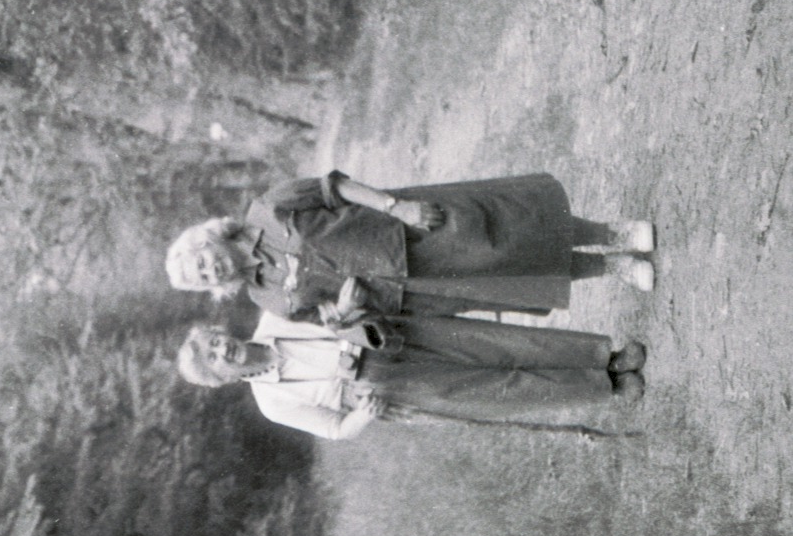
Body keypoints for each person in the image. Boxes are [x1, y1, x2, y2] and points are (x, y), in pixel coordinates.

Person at [166, 170, 655, 321]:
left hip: (404, 232)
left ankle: (613, 234)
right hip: (408, 289)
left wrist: (396, 206)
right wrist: (342, 308)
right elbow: (326, 319)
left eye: (202, 262)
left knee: (510, 229)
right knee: (506, 272)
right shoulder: (266, 298)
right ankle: (613, 269)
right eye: (203, 279)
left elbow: (333, 187)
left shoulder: (267, 209)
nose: (210, 271)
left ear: (207, 240)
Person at [175, 303, 647, 440]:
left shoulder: (275, 318)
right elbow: (336, 428)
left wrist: (346, 322)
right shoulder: (273, 402)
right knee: (500, 389)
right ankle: (607, 385)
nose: (224, 350)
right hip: (390, 388)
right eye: (214, 358)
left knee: (498, 344)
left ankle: (607, 354)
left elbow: (332, 308)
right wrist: (364, 411)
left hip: (392, 336)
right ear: (221, 379)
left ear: (221, 331)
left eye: (215, 341)